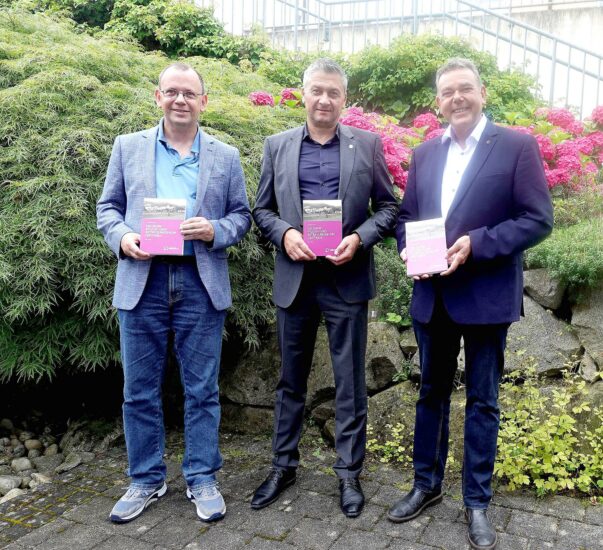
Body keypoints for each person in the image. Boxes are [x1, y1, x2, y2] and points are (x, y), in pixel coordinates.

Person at [388, 58, 553, 549]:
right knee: (430, 394)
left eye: (465, 89)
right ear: (438, 102)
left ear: (482, 93)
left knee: (483, 400)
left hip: (486, 295)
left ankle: (477, 501)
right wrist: (406, 247)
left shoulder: (517, 146)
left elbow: (537, 219)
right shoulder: (425, 154)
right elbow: (407, 216)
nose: (456, 98)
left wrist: (477, 243)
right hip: (434, 295)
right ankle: (426, 485)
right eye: (447, 92)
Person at [97, 62, 251, 524]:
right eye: (172, 91)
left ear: (204, 101)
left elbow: (241, 216)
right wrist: (124, 237)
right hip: (142, 280)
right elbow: (108, 208)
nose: (180, 99)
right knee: (138, 390)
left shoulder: (226, 155)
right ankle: (146, 478)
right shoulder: (127, 147)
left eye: (189, 93)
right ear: (158, 96)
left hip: (199, 282)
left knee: (202, 389)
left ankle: (202, 476)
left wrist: (215, 229)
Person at [252, 58, 398, 518]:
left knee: (350, 382)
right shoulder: (277, 146)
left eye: (333, 92)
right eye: (317, 90)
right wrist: (284, 234)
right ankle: (283, 467)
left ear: (344, 99)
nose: (324, 99)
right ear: (303, 93)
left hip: (345, 279)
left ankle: (350, 474)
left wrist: (360, 239)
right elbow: (261, 210)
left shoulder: (367, 145)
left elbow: (389, 207)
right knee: (289, 381)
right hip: (295, 280)